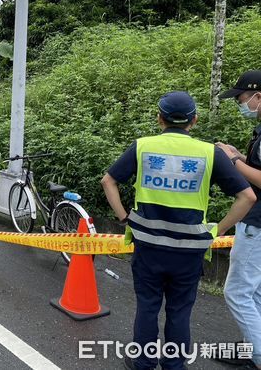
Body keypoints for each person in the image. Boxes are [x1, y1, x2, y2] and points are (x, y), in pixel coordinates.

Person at [101, 91, 255, 370]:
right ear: (194, 121)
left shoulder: (143, 147)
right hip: (189, 252)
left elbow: (108, 181)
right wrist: (217, 231)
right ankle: (174, 364)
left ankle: (143, 362)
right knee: (180, 311)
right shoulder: (210, 153)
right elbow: (248, 197)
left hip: (148, 247)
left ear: (159, 119)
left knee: (147, 306)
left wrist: (124, 217)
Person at [216, 69, 261, 370]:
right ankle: (251, 348)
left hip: (256, 224)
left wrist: (231, 161)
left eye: (243, 99)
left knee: (237, 292)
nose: (240, 104)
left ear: (259, 96)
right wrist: (239, 156)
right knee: (255, 291)